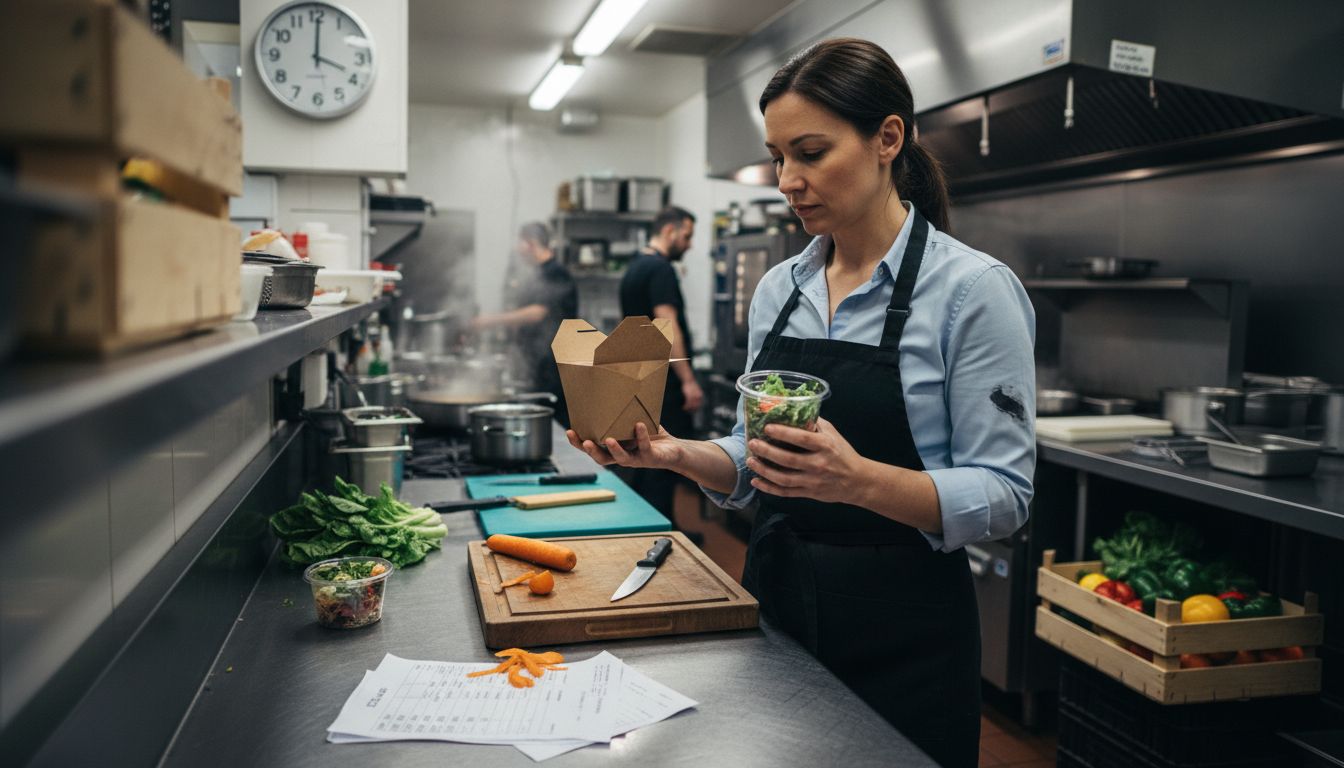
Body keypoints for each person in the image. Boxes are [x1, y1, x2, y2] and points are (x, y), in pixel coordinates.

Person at [570, 38, 1036, 768]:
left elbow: (1007, 494)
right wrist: (674, 454)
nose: (787, 180)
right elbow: (750, 458)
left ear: (889, 139)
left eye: (811, 153)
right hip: (779, 604)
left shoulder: (973, 293)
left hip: (906, 631)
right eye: (779, 156)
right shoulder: (780, 289)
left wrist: (860, 481)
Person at [617, 205, 704, 520]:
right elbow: (665, 325)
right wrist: (688, 379)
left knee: (643, 458)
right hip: (664, 383)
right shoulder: (660, 269)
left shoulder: (634, 267)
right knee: (663, 463)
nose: (689, 244)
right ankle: (662, 535)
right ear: (670, 231)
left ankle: (645, 527)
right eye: (687, 236)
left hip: (639, 379)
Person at [472, 221, 578, 426]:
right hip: (537, 361)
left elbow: (538, 313)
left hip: (553, 365)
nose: (517, 249)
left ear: (530, 244)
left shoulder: (556, 272)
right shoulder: (537, 274)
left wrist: (490, 320)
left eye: (519, 243)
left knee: (553, 422)